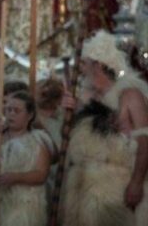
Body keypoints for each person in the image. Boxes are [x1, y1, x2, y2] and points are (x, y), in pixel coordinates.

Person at [61, 30, 148, 225]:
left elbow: (144, 140)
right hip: (82, 187)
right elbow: (68, 138)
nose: (80, 70)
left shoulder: (130, 95)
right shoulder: (85, 98)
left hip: (115, 186)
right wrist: (70, 113)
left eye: (84, 64)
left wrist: (136, 183)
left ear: (98, 65)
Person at [0, 91, 54, 226]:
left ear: (29, 115)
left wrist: (16, 177)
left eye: (16, 111)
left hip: (23, 206)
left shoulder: (38, 140)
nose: (11, 114)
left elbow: (41, 174)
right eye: (8, 110)